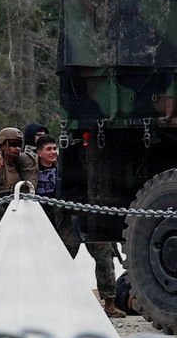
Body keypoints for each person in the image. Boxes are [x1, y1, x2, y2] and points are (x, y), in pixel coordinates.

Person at [33, 134, 125, 318]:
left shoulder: (73, 163)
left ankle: (109, 303)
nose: (53, 152)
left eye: (55, 148)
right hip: (66, 218)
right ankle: (54, 301)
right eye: (49, 149)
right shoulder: (31, 168)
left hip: (89, 214)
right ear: (39, 153)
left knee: (105, 258)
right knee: (62, 261)